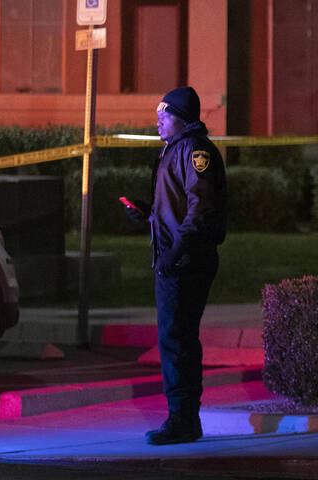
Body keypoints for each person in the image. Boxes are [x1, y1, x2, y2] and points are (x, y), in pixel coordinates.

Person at [122, 86, 227, 444]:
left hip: (185, 261)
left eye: (163, 114)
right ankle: (182, 417)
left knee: (177, 339)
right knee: (176, 337)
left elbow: (200, 209)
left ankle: (182, 420)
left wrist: (174, 252)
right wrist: (147, 216)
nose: (157, 121)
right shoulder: (176, 150)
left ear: (181, 117)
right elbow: (177, 207)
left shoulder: (196, 152)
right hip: (175, 258)